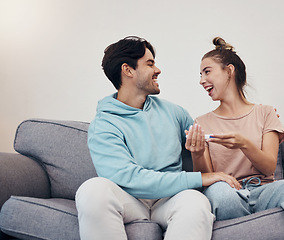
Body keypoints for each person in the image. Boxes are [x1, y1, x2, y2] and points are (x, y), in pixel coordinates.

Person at [75, 36, 240, 240]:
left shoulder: (175, 112)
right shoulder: (103, 124)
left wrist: (246, 120)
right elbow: (129, 178)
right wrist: (199, 178)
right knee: (92, 190)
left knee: (195, 202)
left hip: (169, 200)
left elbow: (205, 143)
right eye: (150, 63)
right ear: (128, 70)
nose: (158, 70)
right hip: (130, 199)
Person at [185, 37, 284, 240]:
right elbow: (207, 179)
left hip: (264, 190)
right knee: (220, 193)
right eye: (200, 74)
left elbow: (269, 168)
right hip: (228, 193)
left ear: (229, 70)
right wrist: (198, 152)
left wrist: (244, 144)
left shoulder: (265, 113)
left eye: (207, 71)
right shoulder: (202, 122)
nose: (201, 80)